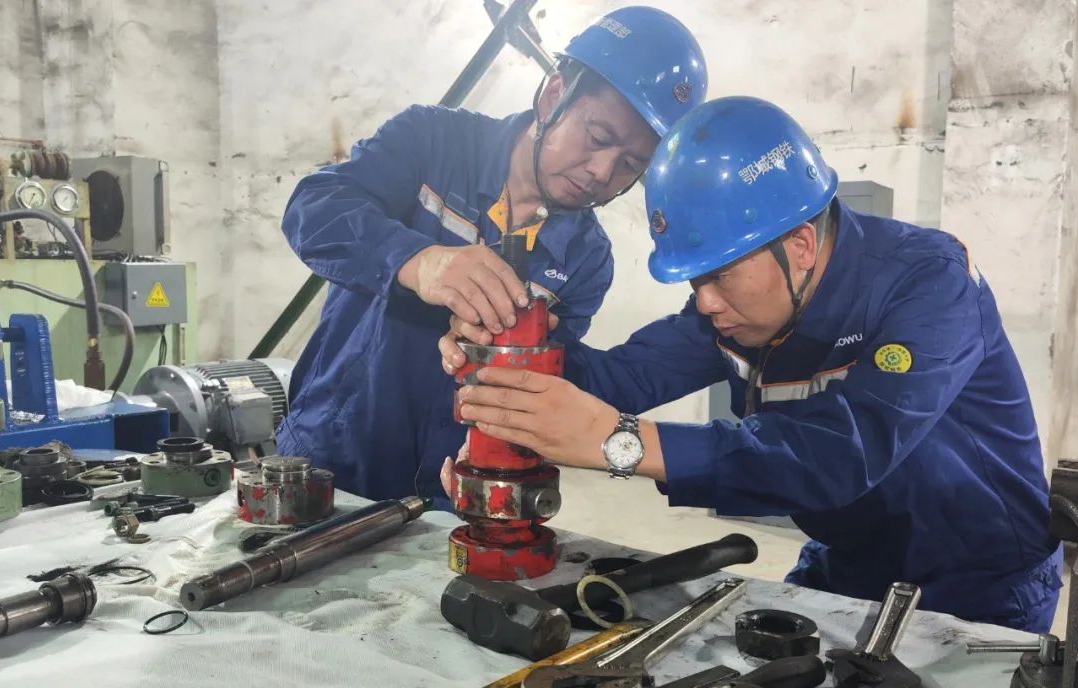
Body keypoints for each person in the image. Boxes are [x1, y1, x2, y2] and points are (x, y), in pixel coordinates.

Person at [439, 96, 1062, 633]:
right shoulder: (735, 311)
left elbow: (842, 454)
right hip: (848, 561)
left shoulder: (930, 286)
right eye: (695, 280)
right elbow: (620, 378)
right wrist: (513, 359)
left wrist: (620, 443)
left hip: (978, 581)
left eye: (720, 276)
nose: (705, 302)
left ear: (800, 245)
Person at [274, 6, 707, 506]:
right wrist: (419, 261)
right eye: (598, 138)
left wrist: (499, 441)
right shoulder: (432, 141)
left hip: (450, 486)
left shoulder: (587, 260)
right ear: (553, 95)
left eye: (630, 164)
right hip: (332, 458)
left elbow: (536, 385)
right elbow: (313, 208)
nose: (602, 172)